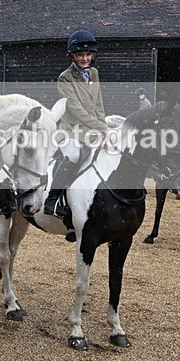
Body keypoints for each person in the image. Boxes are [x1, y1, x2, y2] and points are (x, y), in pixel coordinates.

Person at [44, 29, 108, 220]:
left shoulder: (94, 73)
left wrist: (103, 129)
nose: (85, 58)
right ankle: (52, 200)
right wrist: (102, 127)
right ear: (72, 55)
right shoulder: (65, 78)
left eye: (88, 54)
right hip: (71, 131)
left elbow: (98, 105)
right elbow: (76, 110)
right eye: (80, 55)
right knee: (73, 156)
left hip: (93, 130)